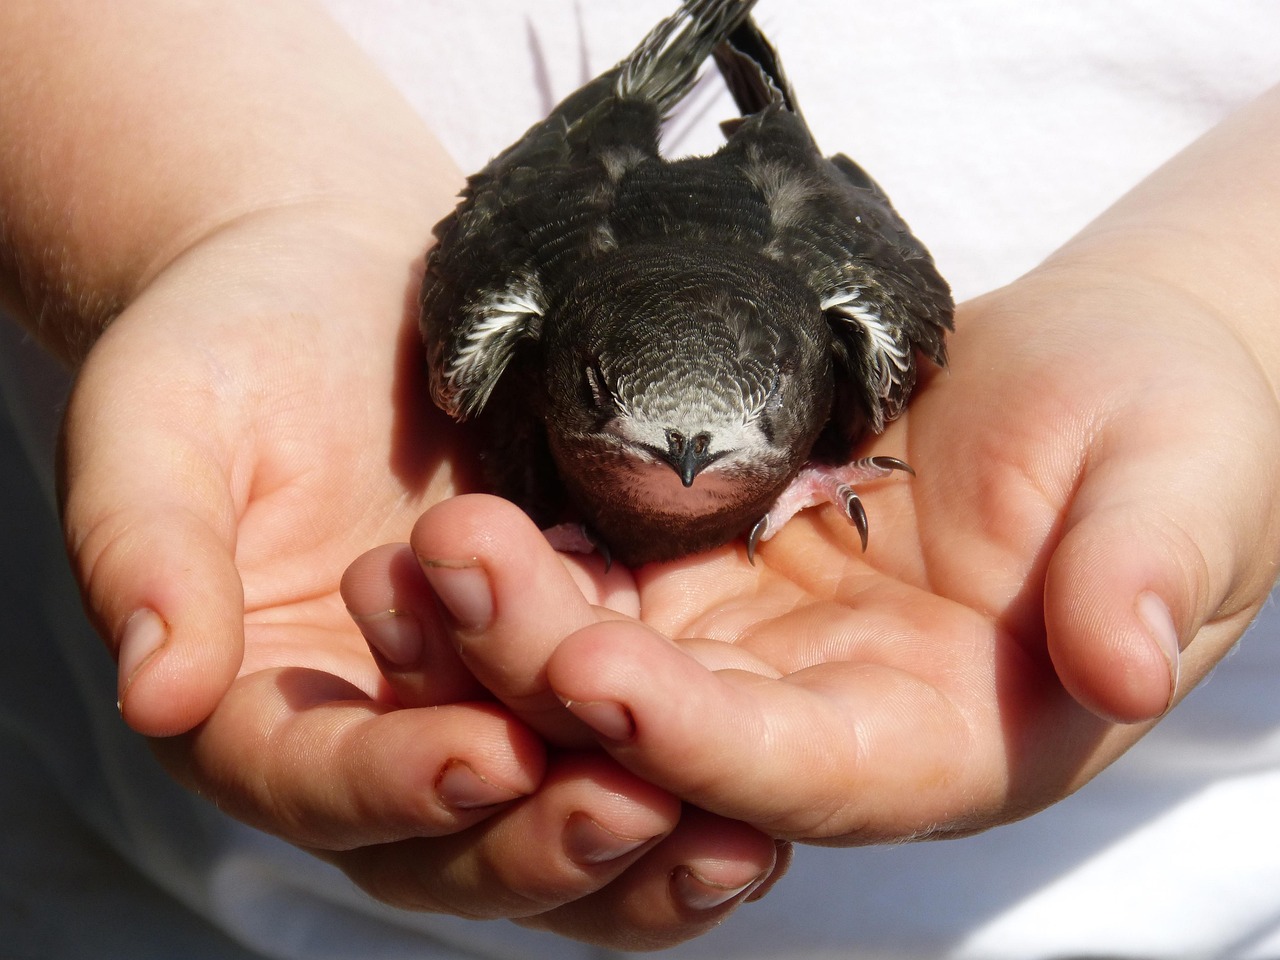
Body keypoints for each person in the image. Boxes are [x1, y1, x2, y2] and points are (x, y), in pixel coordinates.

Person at [2, 0, 1278, 956]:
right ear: (568, 384)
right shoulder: (502, 323)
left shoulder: (853, 323)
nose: (685, 462)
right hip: (147, 886)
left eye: (740, 440)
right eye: (630, 422)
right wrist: (215, 218)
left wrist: (1219, 310)